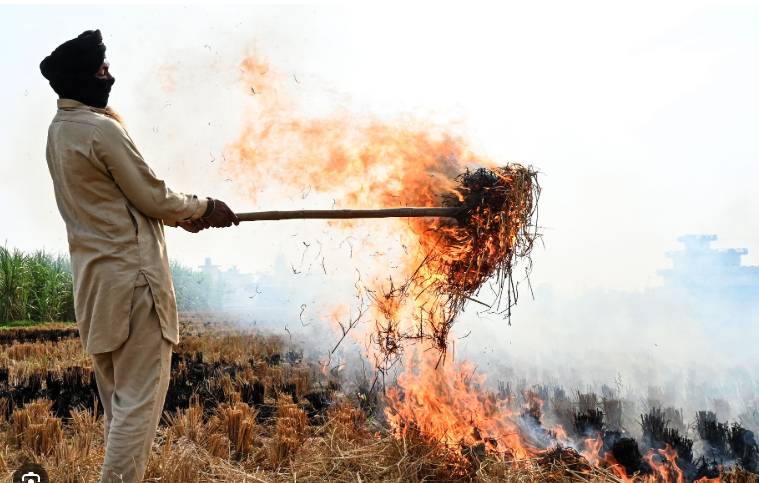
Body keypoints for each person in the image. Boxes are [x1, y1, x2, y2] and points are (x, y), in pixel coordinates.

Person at [40, 29, 238, 482]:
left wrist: (179, 216)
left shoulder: (59, 132)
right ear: (83, 77)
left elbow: (130, 201)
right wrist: (204, 208)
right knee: (137, 410)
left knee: (118, 408)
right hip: (134, 289)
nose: (109, 77)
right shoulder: (100, 129)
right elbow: (153, 196)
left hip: (95, 290)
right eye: (102, 70)